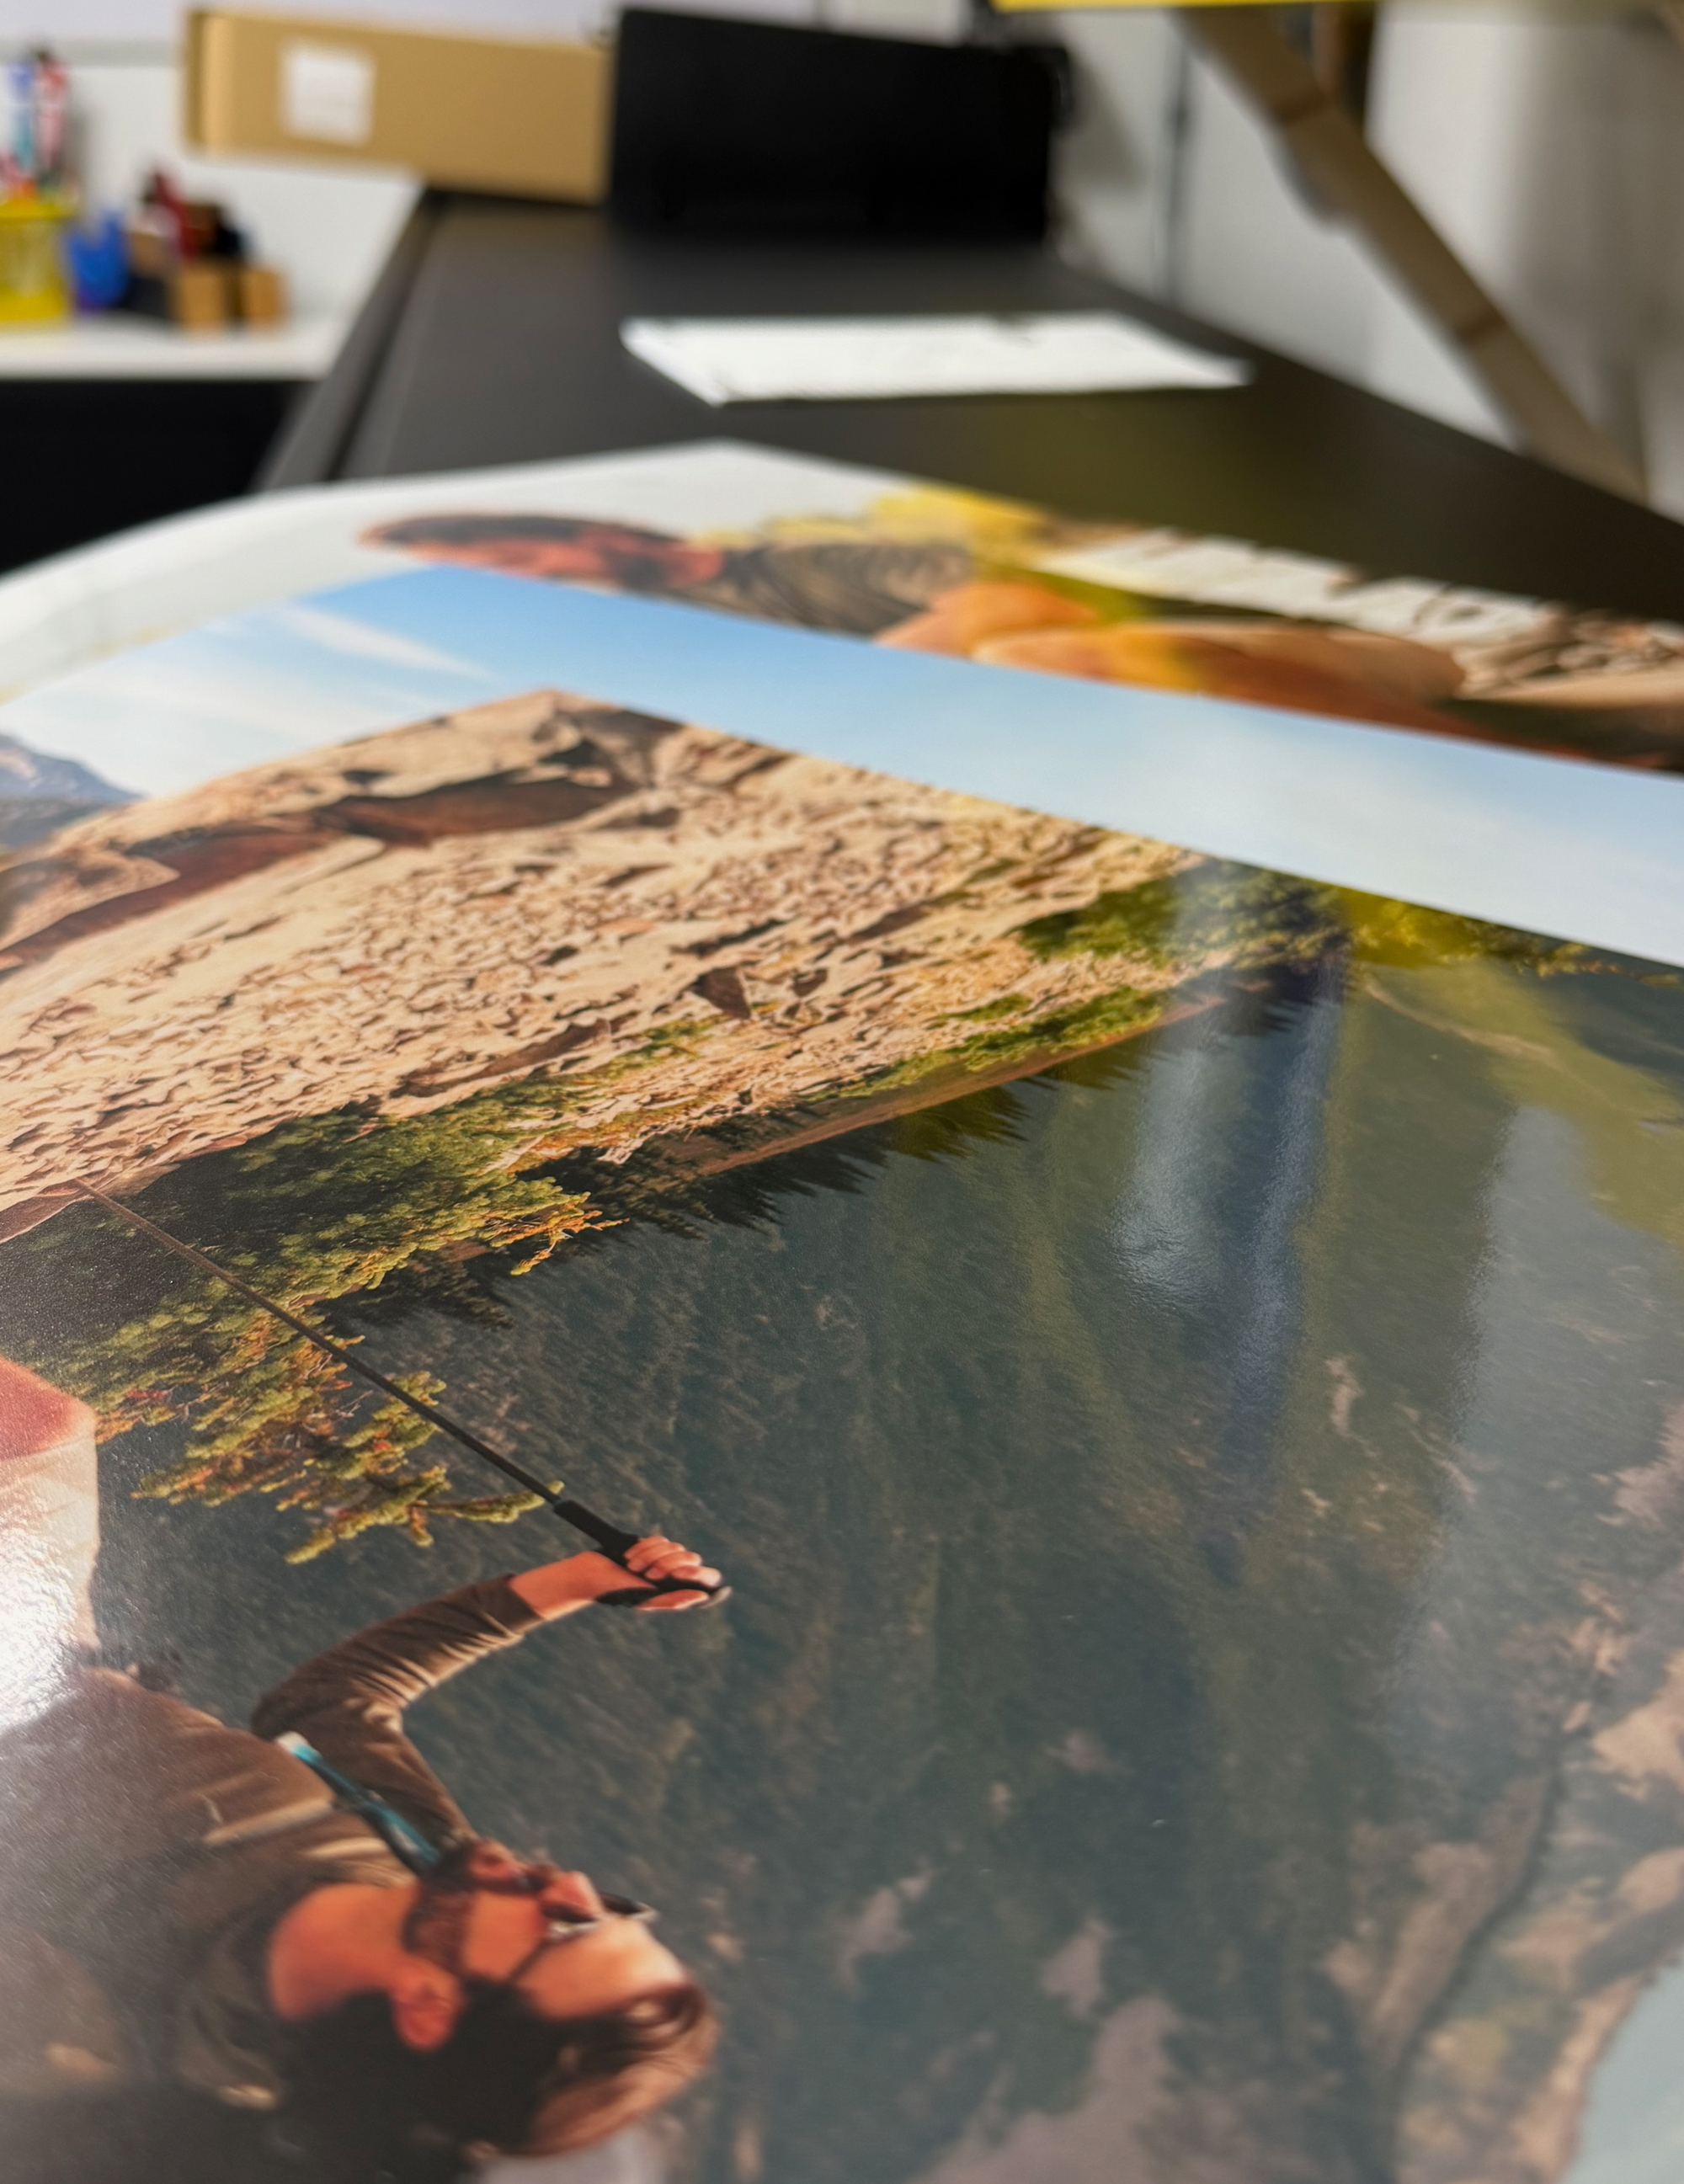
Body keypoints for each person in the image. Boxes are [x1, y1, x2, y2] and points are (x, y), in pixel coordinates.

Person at [0, 1353, 722, 2181]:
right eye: (615, 1908)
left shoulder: (106, 2042)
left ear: (428, 2004)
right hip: (39, 1648)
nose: (574, 1885)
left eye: (568, 1927)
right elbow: (336, 1702)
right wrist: (578, 1582)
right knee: (38, 1428)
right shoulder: (420, 1855)